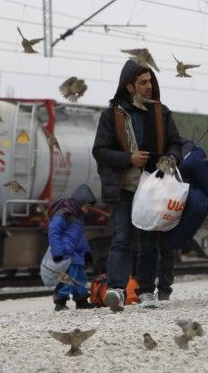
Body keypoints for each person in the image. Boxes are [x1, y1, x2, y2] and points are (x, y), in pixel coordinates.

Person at [92, 59, 182, 312]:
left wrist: (171, 158)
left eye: (150, 81)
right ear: (129, 86)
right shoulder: (112, 115)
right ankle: (117, 291)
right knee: (121, 239)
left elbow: (176, 143)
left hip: (152, 189)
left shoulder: (161, 112)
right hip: (124, 188)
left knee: (148, 242)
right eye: (143, 82)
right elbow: (99, 151)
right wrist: (128, 158)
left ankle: (146, 292)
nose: (149, 86)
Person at [48, 184, 97, 311]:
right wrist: (57, 253)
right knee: (66, 280)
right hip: (67, 256)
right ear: (80, 202)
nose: (86, 210)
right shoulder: (64, 215)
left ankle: (81, 300)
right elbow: (54, 233)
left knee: (80, 279)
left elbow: (81, 238)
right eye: (86, 207)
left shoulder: (77, 217)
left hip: (77, 256)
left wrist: (87, 252)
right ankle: (60, 302)